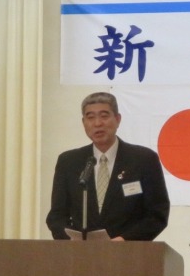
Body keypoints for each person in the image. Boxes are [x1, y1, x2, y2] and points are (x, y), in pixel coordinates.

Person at [46, 92, 170, 241]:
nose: (97, 123)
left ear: (117, 119)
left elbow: (157, 215)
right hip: (80, 252)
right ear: (83, 122)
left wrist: (125, 239)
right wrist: (70, 241)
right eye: (90, 117)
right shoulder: (68, 162)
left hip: (129, 251)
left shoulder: (144, 160)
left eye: (104, 116)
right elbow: (56, 216)